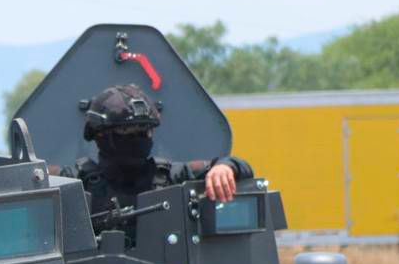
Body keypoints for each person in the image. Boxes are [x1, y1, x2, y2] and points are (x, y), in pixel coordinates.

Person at [53, 84, 254, 218]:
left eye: (144, 130)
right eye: (126, 131)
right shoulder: (76, 181)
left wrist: (224, 167)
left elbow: (240, 167)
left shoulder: (172, 177)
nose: (138, 138)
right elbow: (37, 180)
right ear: (99, 135)